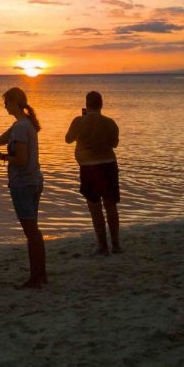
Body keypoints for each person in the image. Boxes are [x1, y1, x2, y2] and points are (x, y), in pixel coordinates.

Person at [0, 87, 46, 289]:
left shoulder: (21, 127)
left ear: (14, 102)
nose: (4, 105)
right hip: (32, 181)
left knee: (31, 232)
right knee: (33, 230)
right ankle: (41, 274)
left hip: (24, 183)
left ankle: (36, 278)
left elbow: (21, 159)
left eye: (6, 102)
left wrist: (4, 157)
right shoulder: (21, 124)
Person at [65, 91, 122, 256]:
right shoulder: (110, 122)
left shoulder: (78, 121)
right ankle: (116, 245)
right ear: (101, 104)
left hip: (89, 168)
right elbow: (115, 143)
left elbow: (68, 139)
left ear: (86, 104)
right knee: (111, 206)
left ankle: (103, 246)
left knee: (95, 208)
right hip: (109, 166)